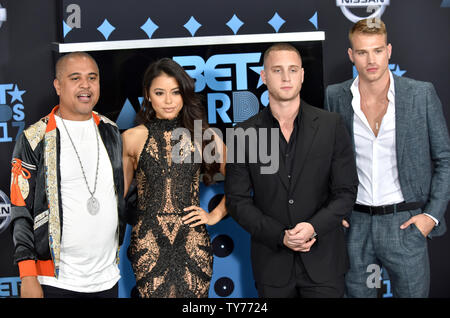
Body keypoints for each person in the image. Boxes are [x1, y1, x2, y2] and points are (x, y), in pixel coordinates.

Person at [324, 19, 450, 297]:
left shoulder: (421, 94)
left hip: (405, 224)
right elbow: (325, 161)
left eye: (377, 50)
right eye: (362, 52)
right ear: (350, 55)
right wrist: (333, 212)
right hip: (356, 225)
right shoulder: (335, 97)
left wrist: (431, 216)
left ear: (389, 50)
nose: (371, 60)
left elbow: (445, 159)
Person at [224, 43, 358, 298]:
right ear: (264, 76)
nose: (286, 77)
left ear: (302, 75)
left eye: (293, 69)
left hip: (324, 262)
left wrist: (313, 227)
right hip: (272, 265)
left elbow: (346, 191)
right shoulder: (243, 133)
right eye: (277, 70)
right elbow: (237, 201)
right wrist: (280, 235)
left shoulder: (331, 125)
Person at [9, 52, 126, 298]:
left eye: (92, 78)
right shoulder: (34, 138)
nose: (86, 85)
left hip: (107, 279)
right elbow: (20, 210)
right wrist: (28, 276)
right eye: (75, 78)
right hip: (57, 282)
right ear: (58, 85)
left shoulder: (111, 131)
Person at [122, 57, 227, 298]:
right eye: (160, 93)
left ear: (185, 94)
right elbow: (117, 195)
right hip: (148, 243)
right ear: (148, 95)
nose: (168, 101)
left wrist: (214, 215)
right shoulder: (132, 137)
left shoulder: (203, 135)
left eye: (175, 92)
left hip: (192, 242)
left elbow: (241, 181)